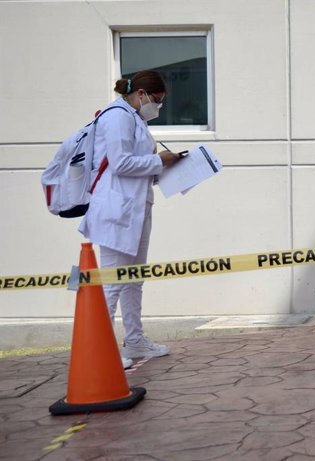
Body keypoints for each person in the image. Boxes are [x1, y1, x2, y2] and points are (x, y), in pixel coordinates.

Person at [79, 70, 182, 367]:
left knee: (134, 278)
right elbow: (121, 163)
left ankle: (135, 340)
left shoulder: (134, 118)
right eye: (157, 101)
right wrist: (158, 160)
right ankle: (100, 351)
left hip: (136, 208)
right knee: (112, 282)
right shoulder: (116, 116)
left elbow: (134, 165)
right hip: (116, 211)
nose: (158, 107)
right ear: (141, 95)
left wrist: (166, 168)